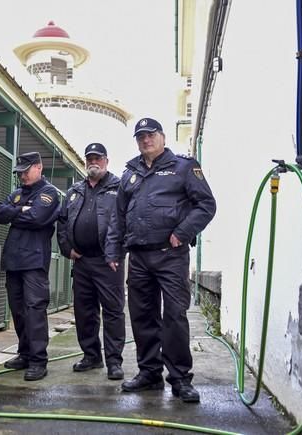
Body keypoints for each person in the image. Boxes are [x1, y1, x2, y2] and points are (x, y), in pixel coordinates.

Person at [106, 118, 216, 403]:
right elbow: (118, 216)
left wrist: (182, 232)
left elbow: (206, 204)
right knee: (142, 316)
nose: (146, 140)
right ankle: (149, 373)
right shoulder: (130, 172)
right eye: (140, 136)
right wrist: (114, 251)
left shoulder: (183, 167)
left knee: (175, 316)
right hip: (139, 256)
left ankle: (180, 378)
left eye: (151, 134)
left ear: (163, 137)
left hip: (171, 256)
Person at [57, 143, 125, 381]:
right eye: (89, 159)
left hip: (109, 262)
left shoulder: (119, 187)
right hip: (82, 262)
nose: (93, 162)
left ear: (106, 161)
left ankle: (114, 362)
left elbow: (126, 221)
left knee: (113, 312)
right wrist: (67, 248)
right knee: (84, 312)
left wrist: (117, 251)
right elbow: (63, 221)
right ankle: (91, 356)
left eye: (97, 158)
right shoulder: (75, 190)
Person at [0, 151, 60, 381]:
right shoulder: (18, 193)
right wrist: (20, 210)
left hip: (33, 261)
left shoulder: (49, 192)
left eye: (25, 171)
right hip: (13, 261)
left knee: (34, 311)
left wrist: (17, 211)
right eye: (19, 173)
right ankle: (24, 354)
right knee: (18, 311)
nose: (22, 176)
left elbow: (36, 218)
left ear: (38, 167)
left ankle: (38, 361)